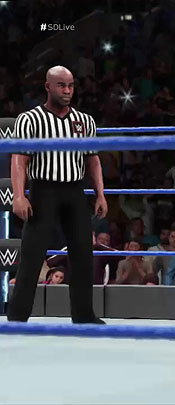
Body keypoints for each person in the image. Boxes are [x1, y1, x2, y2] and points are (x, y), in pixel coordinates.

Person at [8, 66, 107, 324]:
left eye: (71, 85)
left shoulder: (85, 121)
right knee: (32, 254)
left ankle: (84, 314)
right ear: (48, 87)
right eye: (61, 85)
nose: (67, 90)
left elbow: (93, 159)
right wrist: (18, 195)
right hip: (43, 190)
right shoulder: (29, 119)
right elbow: (19, 158)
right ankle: (17, 316)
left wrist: (100, 194)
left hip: (75, 190)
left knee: (83, 252)